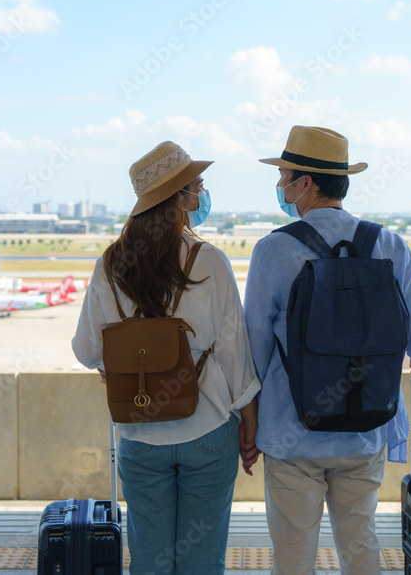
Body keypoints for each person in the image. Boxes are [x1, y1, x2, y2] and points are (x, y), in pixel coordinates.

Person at [241, 125, 411, 575]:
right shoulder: (389, 245)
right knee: (360, 544)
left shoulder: (274, 250)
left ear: (306, 183)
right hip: (366, 426)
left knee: (293, 552)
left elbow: (252, 344)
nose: (280, 186)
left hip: (292, 431)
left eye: (284, 176)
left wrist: (248, 419)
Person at [72, 140, 261, 575]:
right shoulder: (210, 261)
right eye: (197, 187)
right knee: (202, 560)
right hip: (209, 429)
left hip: (138, 433)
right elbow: (235, 355)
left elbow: (86, 350)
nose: (202, 196)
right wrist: (250, 419)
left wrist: (126, 362)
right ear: (178, 200)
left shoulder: (110, 264)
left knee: (150, 563)